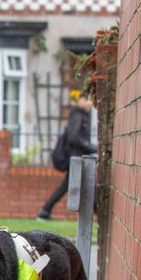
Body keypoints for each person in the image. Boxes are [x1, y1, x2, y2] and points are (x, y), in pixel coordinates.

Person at [36, 91, 96, 220]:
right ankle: (45, 210)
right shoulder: (78, 115)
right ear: (78, 100)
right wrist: (91, 147)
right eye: (86, 99)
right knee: (83, 186)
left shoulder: (80, 115)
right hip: (76, 158)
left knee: (72, 186)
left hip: (78, 158)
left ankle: (45, 210)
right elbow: (73, 137)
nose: (89, 103)